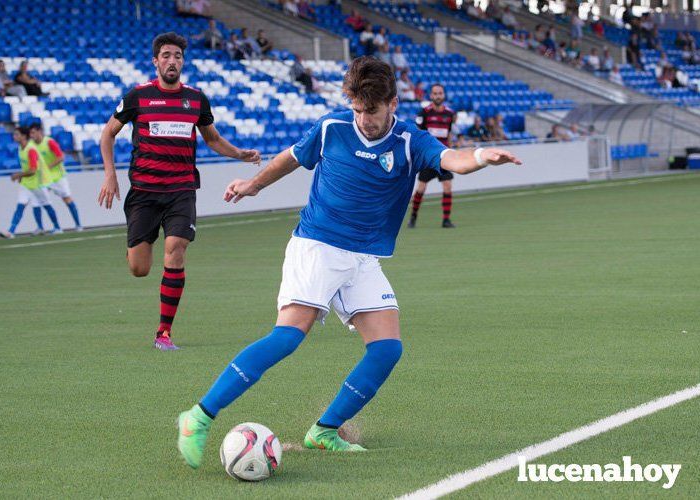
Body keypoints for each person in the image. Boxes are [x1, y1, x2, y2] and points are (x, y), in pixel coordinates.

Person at [175, 57, 520, 465]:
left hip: (362, 257)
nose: (362, 119)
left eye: (370, 111)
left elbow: (452, 160)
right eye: (357, 109)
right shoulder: (332, 127)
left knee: (387, 349)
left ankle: (323, 430)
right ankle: (198, 417)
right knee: (288, 336)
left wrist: (481, 155)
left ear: (392, 103)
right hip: (317, 244)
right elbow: (290, 157)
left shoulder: (411, 140)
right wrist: (253, 185)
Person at [97, 32, 261, 351]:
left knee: (176, 247)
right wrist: (110, 176)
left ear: (183, 62)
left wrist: (240, 153)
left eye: (178, 56)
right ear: (156, 61)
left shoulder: (196, 99)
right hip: (143, 193)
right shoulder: (137, 97)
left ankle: (164, 332)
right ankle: (139, 243)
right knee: (139, 269)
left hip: (181, 190)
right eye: (167, 56)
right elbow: (107, 135)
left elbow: (212, 139)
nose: (173, 61)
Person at [0, 126, 61, 239]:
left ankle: (57, 227)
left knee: (46, 205)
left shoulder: (31, 149)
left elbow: (33, 170)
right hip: (27, 183)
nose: (14, 136)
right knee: (20, 205)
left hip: (38, 182)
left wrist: (18, 175)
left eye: (17, 134)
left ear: (23, 136)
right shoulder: (20, 148)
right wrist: (22, 177)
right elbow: (26, 167)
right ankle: (11, 231)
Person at [409, 84, 457, 229]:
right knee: (421, 188)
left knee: (447, 186)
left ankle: (446, 220)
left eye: (440, 93)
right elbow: (418, 134)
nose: (437, 96)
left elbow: (448, 134)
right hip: (428, 158)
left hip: (444, 157)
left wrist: (451, 150)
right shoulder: (424, 113)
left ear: (443, 95)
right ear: (431, 95)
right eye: (435, 93)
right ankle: (413, 217)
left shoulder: (450, 114)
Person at [29, 123, 82, 231]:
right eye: (30, 133)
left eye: (33, 132)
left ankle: (78, 225)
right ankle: (47, 227)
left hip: (57, 177)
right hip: (43, 179)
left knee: (66, 199)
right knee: (37, 200)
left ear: (40, 131)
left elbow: (61, 157)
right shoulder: (31, 145)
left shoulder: (49, 142)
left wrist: (48, 167)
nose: (31, 135)